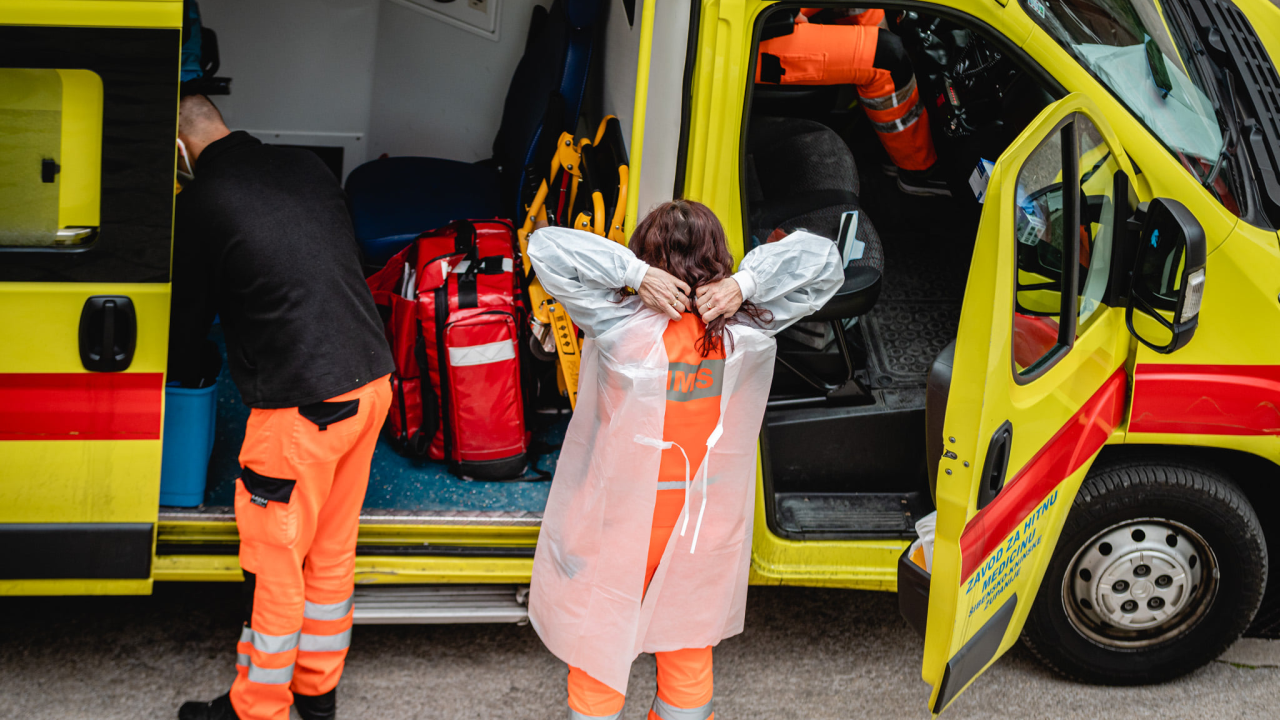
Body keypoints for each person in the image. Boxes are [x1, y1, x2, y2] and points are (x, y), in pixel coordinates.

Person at [526, 200, 843, 719]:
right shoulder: (747, 332)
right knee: (688, 654)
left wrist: (633, 275)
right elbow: (824, 261)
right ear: (719, 257)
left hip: (619, 525)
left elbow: (546, 248)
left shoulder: (617, 326)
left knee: (598, 653)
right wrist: (747, 287)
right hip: (700, 529)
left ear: (648, 256)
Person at [170, 94, 395, 720]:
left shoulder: (201, 204)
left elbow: (185, 328)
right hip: (371, 381)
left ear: (181, 151)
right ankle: (317, 693)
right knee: (330, 548)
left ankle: (256, 707)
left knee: (274, 562)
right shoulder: (305, 166)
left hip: (303, 406)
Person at [756, 7, 950, 196]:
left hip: (767, 7)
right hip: (755, 30)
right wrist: (792, 13)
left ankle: (886, 133)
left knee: (860, 4)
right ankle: (919, 170)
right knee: (886, 57)